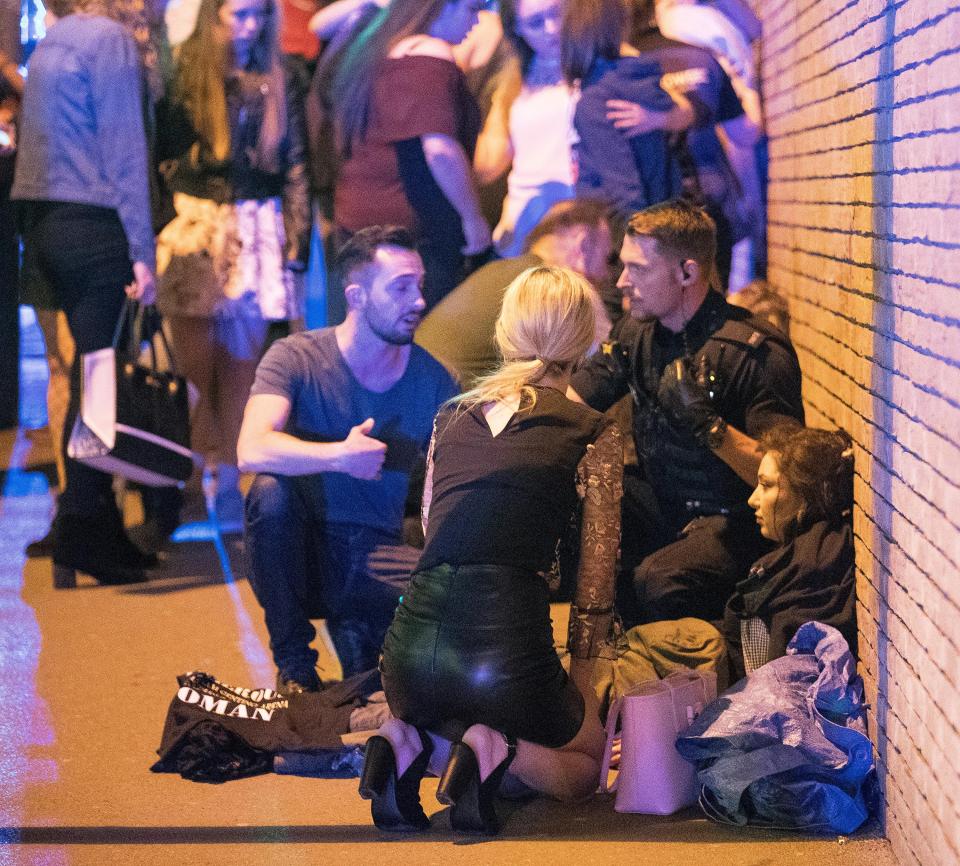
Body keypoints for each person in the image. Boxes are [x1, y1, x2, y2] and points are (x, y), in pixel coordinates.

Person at [359, 265, 622, 834]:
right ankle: (499, 748)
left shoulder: (450, 416)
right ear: (583, 342)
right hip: (502, 656)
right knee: (586, 767)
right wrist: (581, 687)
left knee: (451, 723)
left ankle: (403, 741)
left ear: (505, 332)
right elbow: (596, 583)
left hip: (406, 657)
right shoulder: (593, 430)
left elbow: (435, 528)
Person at [236, 226, 456, 692]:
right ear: (356, 296)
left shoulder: (435, 379)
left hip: (372, 554)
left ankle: (360, 634)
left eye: (419, 284)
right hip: (299, 554)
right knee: (269, 492)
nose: (417, 300)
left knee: (450, 598)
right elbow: (250, 447)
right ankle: (294, 667)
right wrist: (340, 456)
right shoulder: (296, 357)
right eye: (400, 287)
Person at [569, 198, 804, 627]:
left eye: (638, 269)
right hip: (665, 503)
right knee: (572, 518)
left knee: (658, 581)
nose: (621, 282)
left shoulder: (754, 353)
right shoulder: (635, 334)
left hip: (737, 520)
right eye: (622, 266)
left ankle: (703, 673)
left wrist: (710, 427)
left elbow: (787, 480)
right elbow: (574, 402)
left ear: (687, 272)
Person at [12, 0, 158, 584]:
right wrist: (142, 249)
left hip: (43, 217)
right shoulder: (108, 40)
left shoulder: (55, 37)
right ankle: (85, 529)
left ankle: (88, 520)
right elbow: (126, 149)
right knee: (100, 378)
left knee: (85, 375)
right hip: (94, 220)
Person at [155, 0, 311, 527]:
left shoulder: (279, 74)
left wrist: (297, 246)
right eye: (237, 14)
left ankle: (227, 484)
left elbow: (295, 164)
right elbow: (159, 159)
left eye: (258, 15)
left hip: (257, 228)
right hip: (196, 224)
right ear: (212, 14)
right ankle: (193, 480)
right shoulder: (182, 70)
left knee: (242, 372)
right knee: (193, 370)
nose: (249, 26)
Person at [330, 0, 491, 310]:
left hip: (358, 221)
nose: (478, 20)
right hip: (412, 232)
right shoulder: (429, 54)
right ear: (439, 7)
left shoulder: (379, 50)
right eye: (472, 8)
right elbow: (440, 150)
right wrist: (473, 219)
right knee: (422, 343)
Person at [415, 197, 615, 388]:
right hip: (452, 410)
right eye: (607, 258)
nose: (607, 275)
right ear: (583, 244)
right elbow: (604, 366)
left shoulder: (500, 270)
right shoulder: (555, 288)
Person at [626, 0, 757, 289]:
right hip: (711, 204)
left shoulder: (613, 73)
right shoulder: (701, 57)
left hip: (647, 213)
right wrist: (742, 83)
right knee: (711, 308)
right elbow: (746, 133)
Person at [724, 426, 857, 682]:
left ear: (805, 495)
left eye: (766, 485)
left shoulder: (811, 569)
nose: (753, 499)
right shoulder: (800, 555)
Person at [561, 0, 682, 221]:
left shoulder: (596, 101)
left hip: (621, 234)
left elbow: (625, 193)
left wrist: (633, 246)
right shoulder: (644, 81)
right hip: (666, 216)